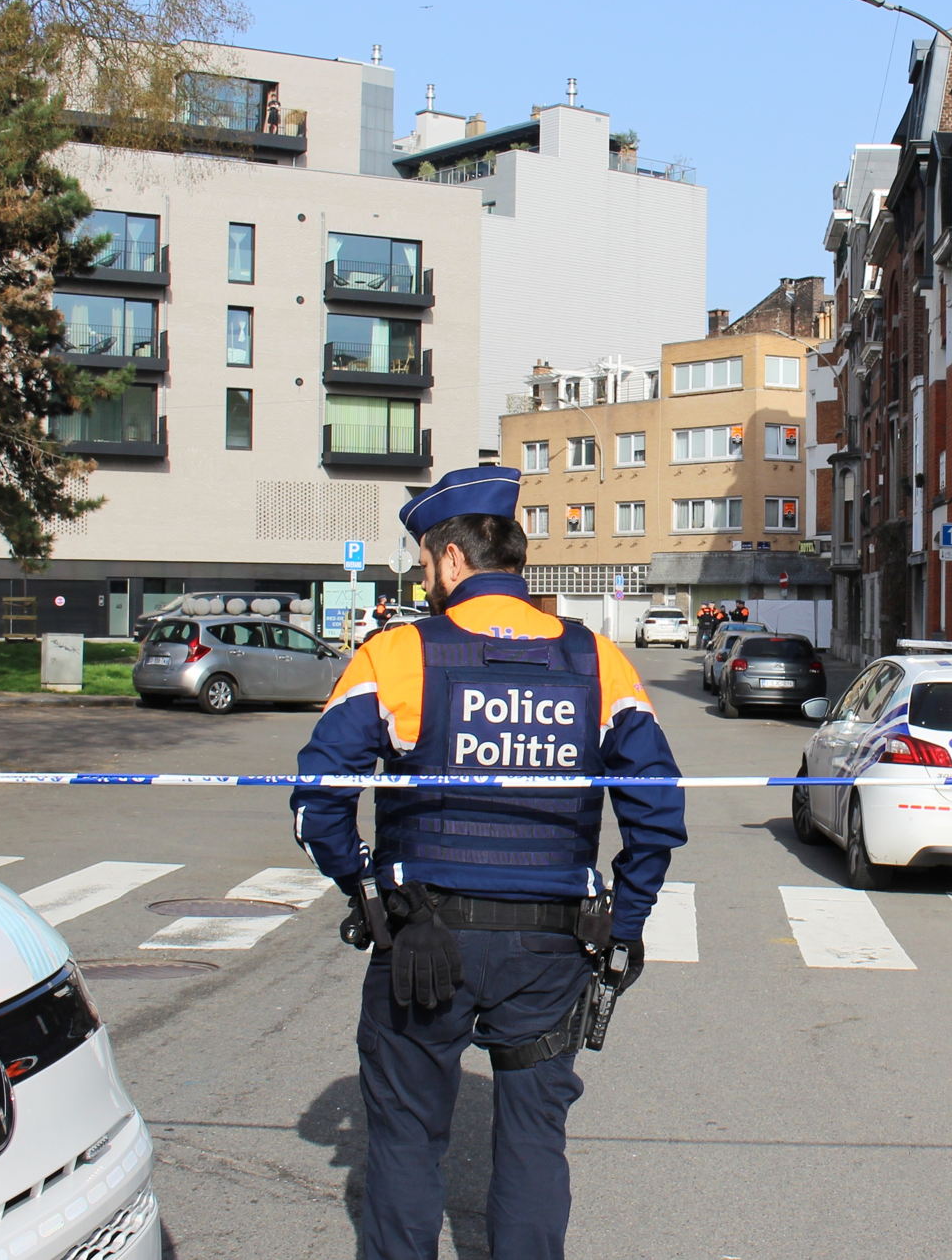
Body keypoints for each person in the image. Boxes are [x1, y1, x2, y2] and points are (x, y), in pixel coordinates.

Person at [292, 466, 686, 1260]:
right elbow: (659, 809)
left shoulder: (397, 653)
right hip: (550, 950)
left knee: (405, 1140)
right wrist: (627, 921)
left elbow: (316, 799)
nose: (421, 577)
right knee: (535, 1142)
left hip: (424, 943)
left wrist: (367, 891)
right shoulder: (596, 659)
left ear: (450, 560)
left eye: (423, 561)